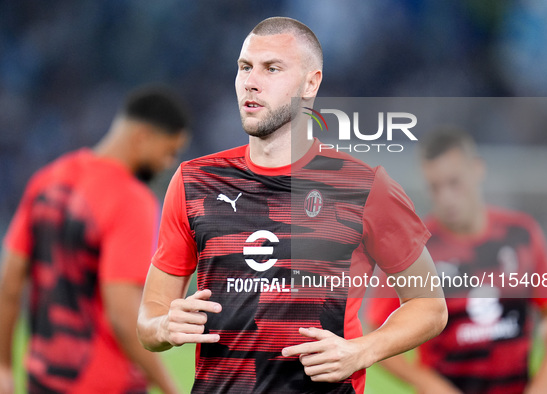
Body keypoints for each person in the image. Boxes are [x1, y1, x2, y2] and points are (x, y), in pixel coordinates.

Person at [137, 16, 447, 394]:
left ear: (310, 83)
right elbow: (150, 316)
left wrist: (362, 351)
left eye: (272, 68)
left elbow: (430, 306)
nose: (251, 81)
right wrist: (163, 326)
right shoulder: (194, 182)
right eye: (244, 67)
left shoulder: (365, 187)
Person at [0, 86, 190, 393]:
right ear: (142, 137)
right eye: (169, 150)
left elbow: (9, 282)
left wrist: (3, 366)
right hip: (105, 384)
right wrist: (171, 387)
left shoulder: (47, 179)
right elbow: (123, 316)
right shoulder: (133, 200)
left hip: (44, 379)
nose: (169, 163)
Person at [365, 129, 547, 394]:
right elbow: (376, 331)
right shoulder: (414, 248)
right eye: (435, 187)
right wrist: (427, 383)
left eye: (454, 182)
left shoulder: (521, 233)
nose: (446, 197)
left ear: (477, 170)